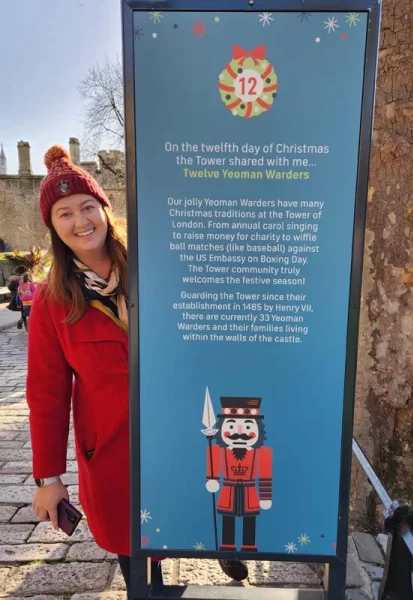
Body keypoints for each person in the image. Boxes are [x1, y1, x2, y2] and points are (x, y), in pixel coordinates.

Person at [26, 145, 248, 594]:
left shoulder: (159, 266)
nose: (81, 221)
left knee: (202, 498)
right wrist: (49, 479)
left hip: (184, 426)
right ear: (52, 225)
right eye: (65, 213)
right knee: (134, 540)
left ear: (106, 210)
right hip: (111, 445)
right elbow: (47, 393)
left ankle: (218, 546)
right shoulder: (52, 302)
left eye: (88, 207)